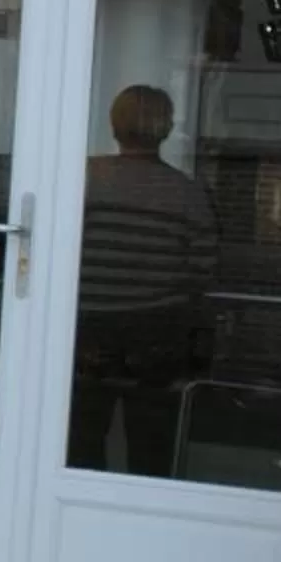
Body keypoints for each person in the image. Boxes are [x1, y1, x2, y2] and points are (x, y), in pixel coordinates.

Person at [68, 84, 218, 476]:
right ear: (166, 128)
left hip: (88, 327)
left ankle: (84, 516)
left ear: (114, 125)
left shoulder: (84, 177)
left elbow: (58, 250)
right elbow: (202, 269)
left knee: (80, 439)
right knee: (152, 444)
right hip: (158, 330)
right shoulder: (187, 192)